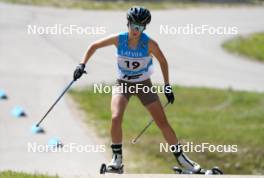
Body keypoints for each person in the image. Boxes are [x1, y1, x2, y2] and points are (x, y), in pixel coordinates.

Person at [73, 6, 201, 173]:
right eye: (134, 25)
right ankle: (117, 160)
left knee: (162, 122)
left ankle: (183, 160)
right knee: (116, 116)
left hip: (143, 84)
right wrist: (81, 65)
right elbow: (94, 46)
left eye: (140, 27)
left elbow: (163, 61)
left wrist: (167, 86)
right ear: (128, 23)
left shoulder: (149, 43)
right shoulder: (119, 39)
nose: (136, 30)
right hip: (123, 84)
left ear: (144, 27)